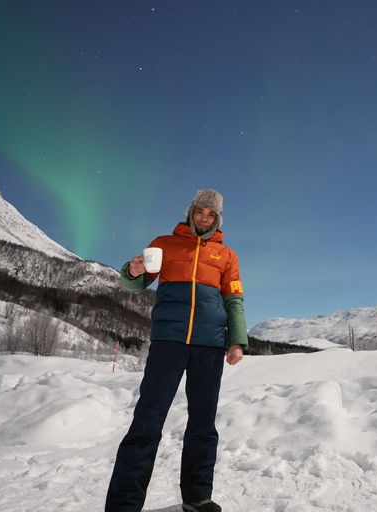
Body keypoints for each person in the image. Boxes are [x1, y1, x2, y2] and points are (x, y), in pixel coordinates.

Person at [105, 189, 248, 512]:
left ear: (217, 218)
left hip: (210, 347)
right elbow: (135, 282)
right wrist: (133, 270)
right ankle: (123, 503)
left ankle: (197, 496)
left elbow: (234, 300)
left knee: (203, 422)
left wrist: (237, 340)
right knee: (148, 419)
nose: (204, 218)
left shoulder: (226, 256)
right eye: (200, 211)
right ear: (190, 212)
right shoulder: (164, 244)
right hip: (168, 343)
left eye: (211, 214)